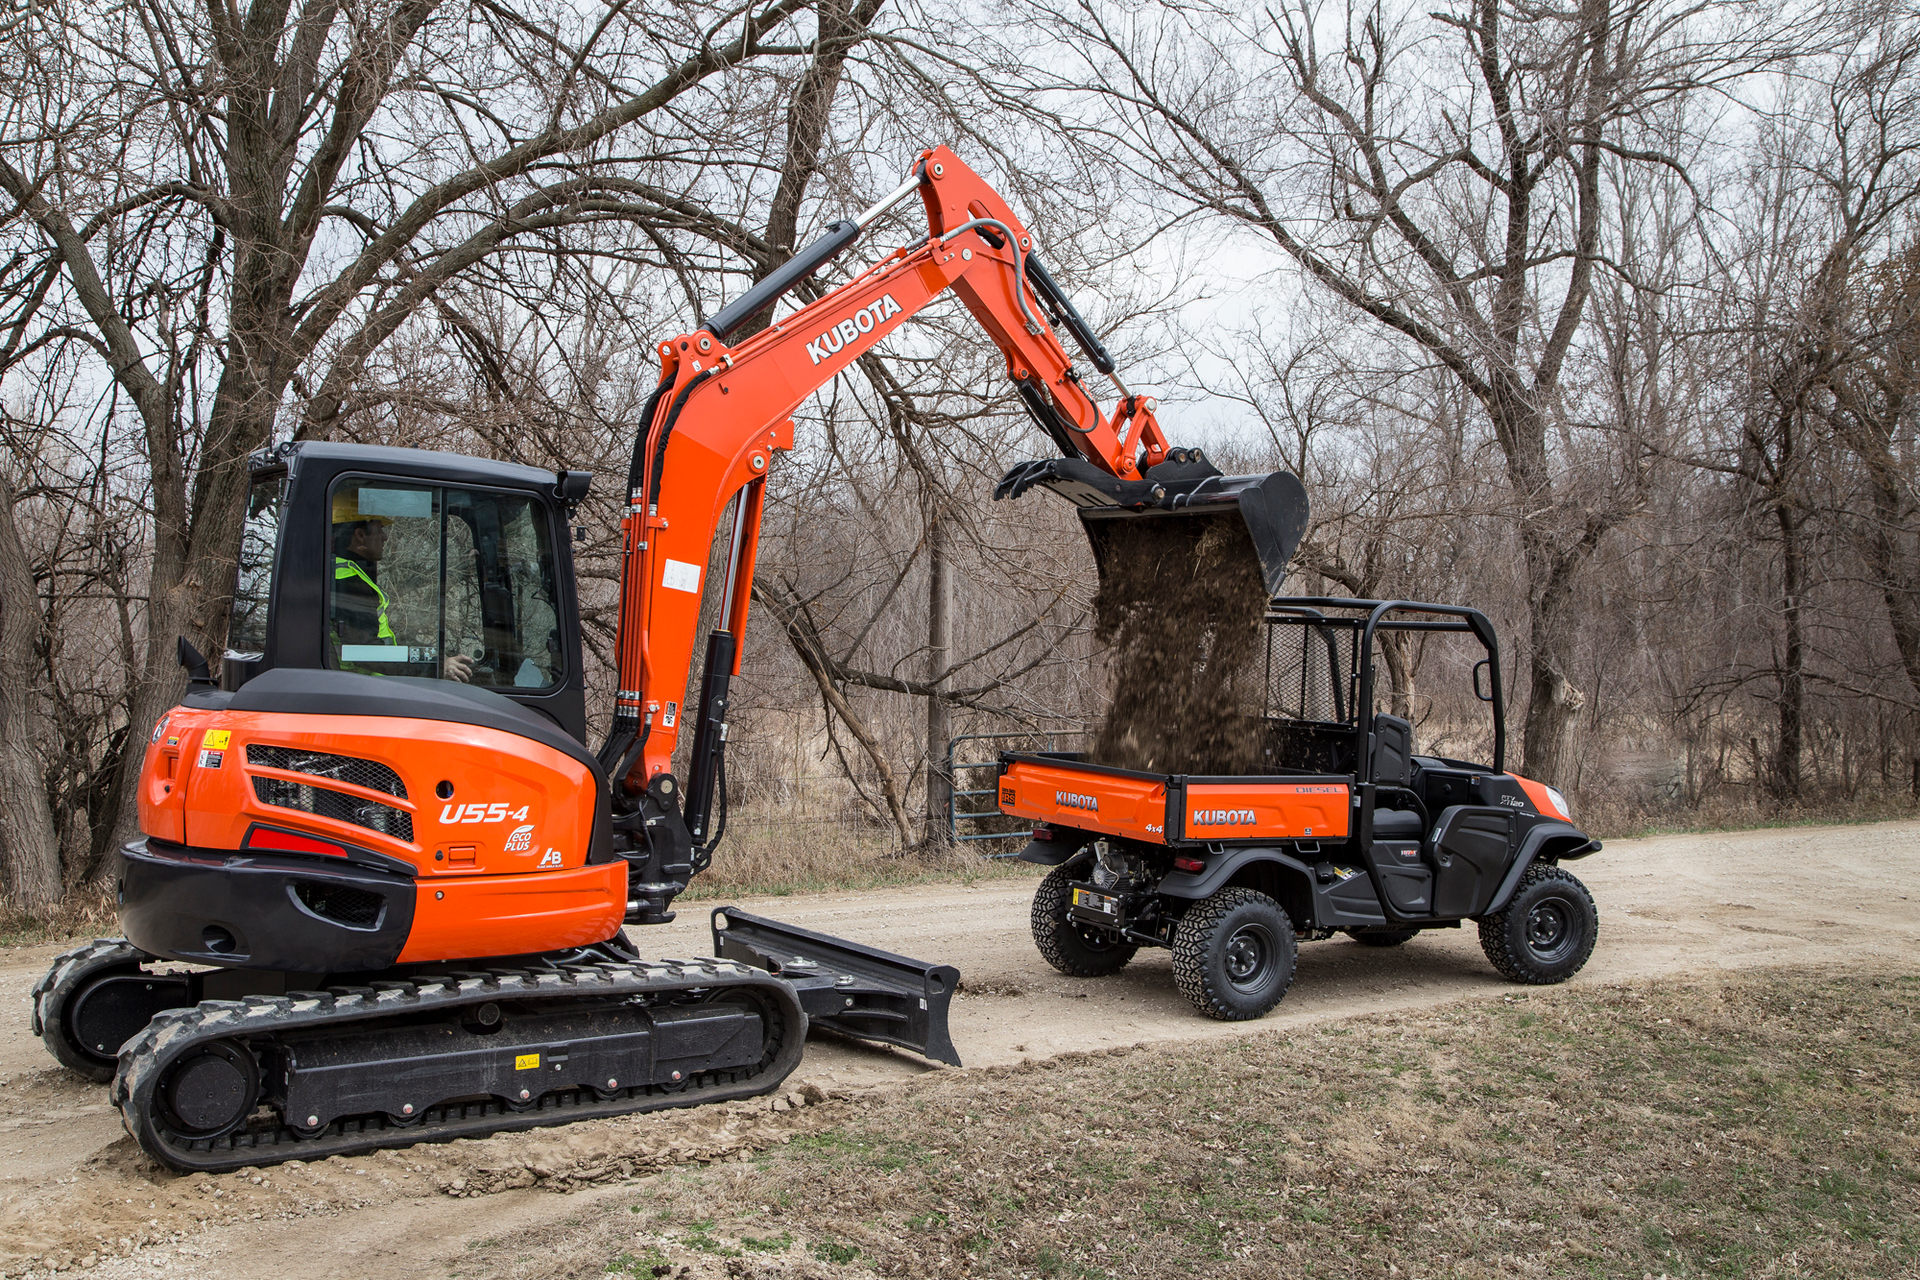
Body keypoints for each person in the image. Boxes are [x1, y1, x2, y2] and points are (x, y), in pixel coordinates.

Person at [331, 490, 474, 682]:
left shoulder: (341, 572)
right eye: (379, 528)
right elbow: (367, 653)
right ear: (360, 535)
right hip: (364, 688)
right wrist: (434, 668)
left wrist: (428, 657)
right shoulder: (347, 581)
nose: (385, 537)